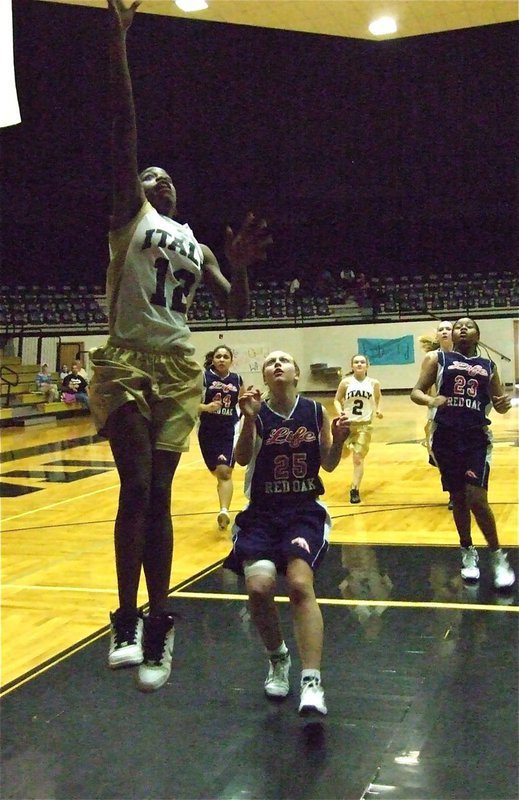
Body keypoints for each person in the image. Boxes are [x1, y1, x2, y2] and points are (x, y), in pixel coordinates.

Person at [88, 0, 271, 693]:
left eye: (162, 177)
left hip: (177, 365)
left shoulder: (192, 242)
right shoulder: (127, 216)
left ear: (176, 191)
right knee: (134, 487)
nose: (152, 176)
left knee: (159, 497)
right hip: (127, 357)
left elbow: (235, 308)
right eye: (144, 175)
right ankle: (125, 614)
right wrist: (119, 46)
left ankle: (159, 620)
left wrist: (240, 262)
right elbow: (123, 131)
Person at [223, 351, 350, 716]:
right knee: (259, 588)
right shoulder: (252, 411)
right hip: (262, 513)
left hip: (302, 511)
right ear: (264, 375)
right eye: (270, 362)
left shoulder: (314, 412)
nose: (277, 364)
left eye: (285, 360)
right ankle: (278, 658)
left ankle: (312, 681)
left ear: (296, 373)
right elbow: (243, 458)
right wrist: (248, 420)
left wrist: (339, 439)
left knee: (298, 584)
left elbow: (328, 463)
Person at [411, 317, 515, 590]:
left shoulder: (488, 366)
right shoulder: (439, 360)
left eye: (469, 325)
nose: (463, 328)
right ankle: (468, 551)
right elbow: (416, 392)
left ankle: (497, 556)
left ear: (478, 334)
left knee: (477, 499)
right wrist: (431, 400)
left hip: (475, 437)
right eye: (458, 326)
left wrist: (504, 404)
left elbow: (499, 405)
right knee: (458, 498)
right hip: (445, 436)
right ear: (453, 335)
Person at [198, 345, 244, 531]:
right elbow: (191, 403)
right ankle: (222, 494)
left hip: (228, 431)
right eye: (218, 356)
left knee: (225, 471)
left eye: (226, 356)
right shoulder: (203, 377)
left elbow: (241, 403)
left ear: (231, 360)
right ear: (213, 359)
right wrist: (206, 407)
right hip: (207, 431)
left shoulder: (237, 379)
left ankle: (224, 510)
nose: (222, 359)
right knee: (216, 471)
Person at [333, 354, 383, 504]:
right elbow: (336, 399)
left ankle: (354, 489)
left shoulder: (374, 383)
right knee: (343, 455)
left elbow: (379, 398)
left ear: (367, 365)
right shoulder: (346, 382)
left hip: (364, 425)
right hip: (347, 424)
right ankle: (346, 449)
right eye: (356, 362)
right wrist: (339, 412)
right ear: (352, 366)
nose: (359, 364)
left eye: (362, 362)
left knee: (358, 458)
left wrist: (378, 410)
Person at [419, 320, 454, 509]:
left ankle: (457, 491)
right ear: (438, 335)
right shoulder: (432, 357)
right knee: (439, 455)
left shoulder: (462, 356)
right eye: (442, 329)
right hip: (436, 412)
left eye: (449, 328)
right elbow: (421, 388)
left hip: (459, 410)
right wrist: (431, 401)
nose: (445, 331)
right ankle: (451, 490)